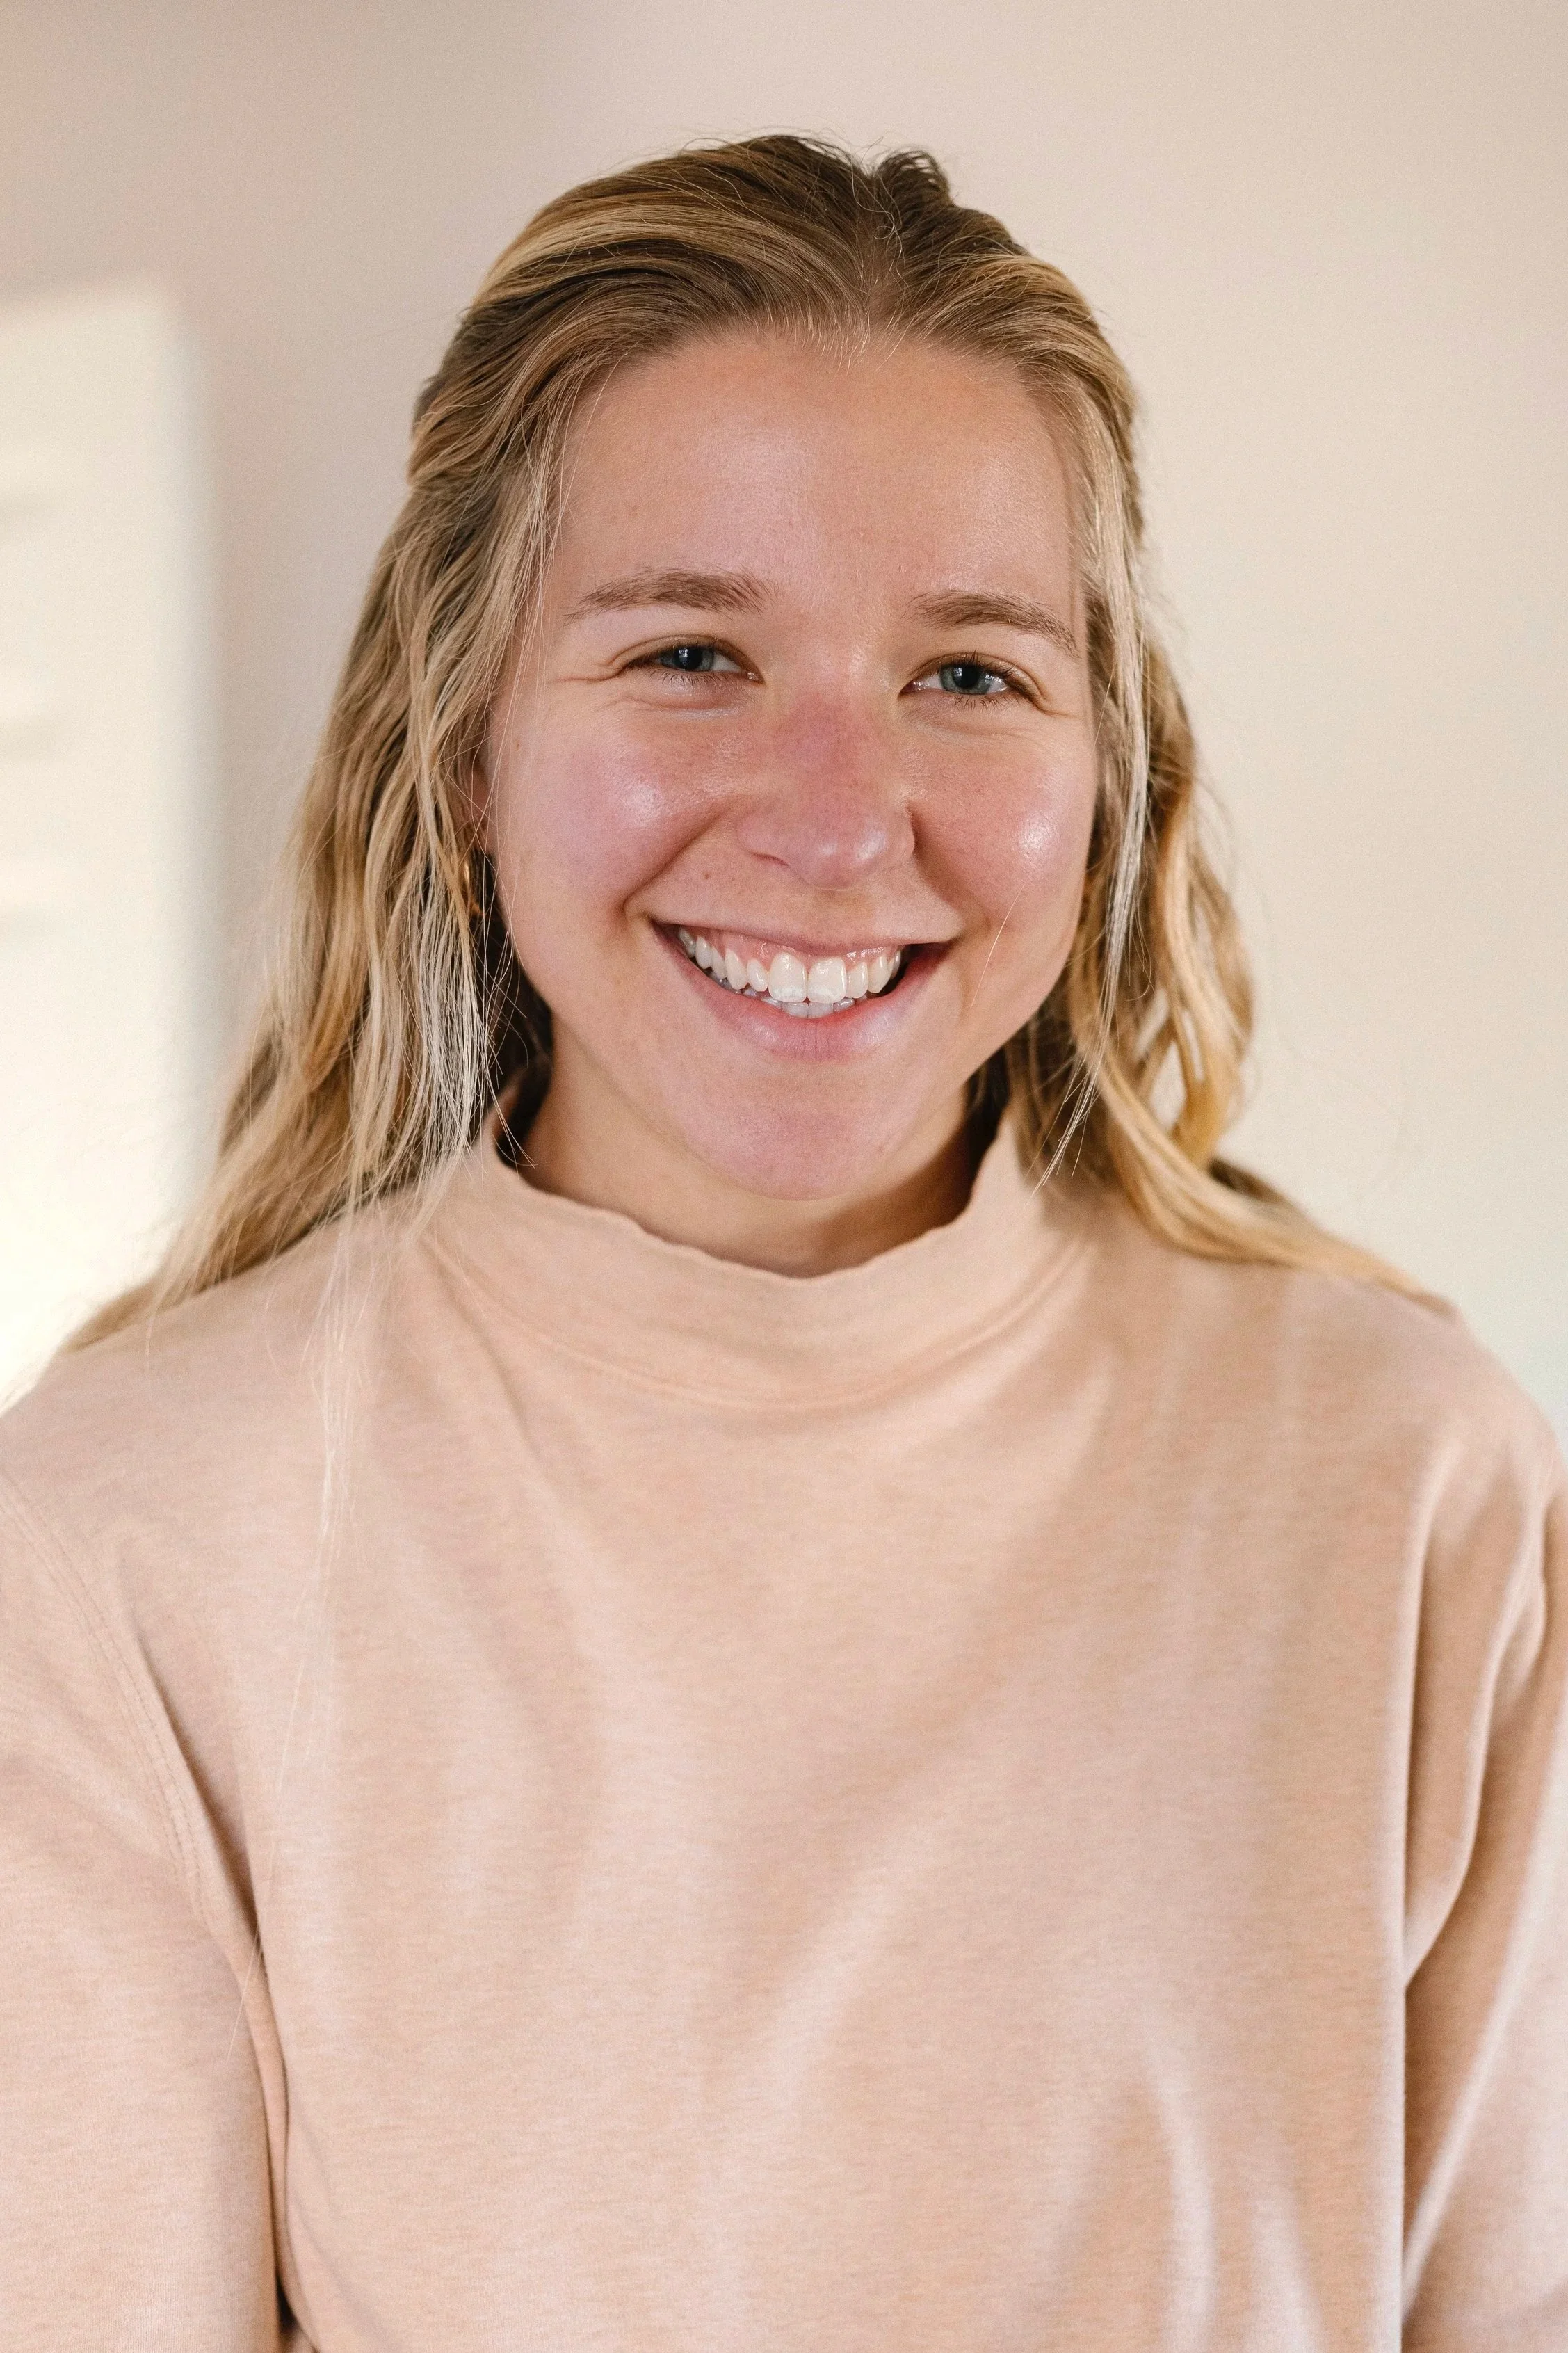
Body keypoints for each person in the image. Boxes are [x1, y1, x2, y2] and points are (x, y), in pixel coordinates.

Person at [1, 135, 1563, 2351]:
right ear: (463, 750)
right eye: (692, 652)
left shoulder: (1413, 1495)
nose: (836, 820)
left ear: (1104, 762)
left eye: (968, 676)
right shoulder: (121, 1542)